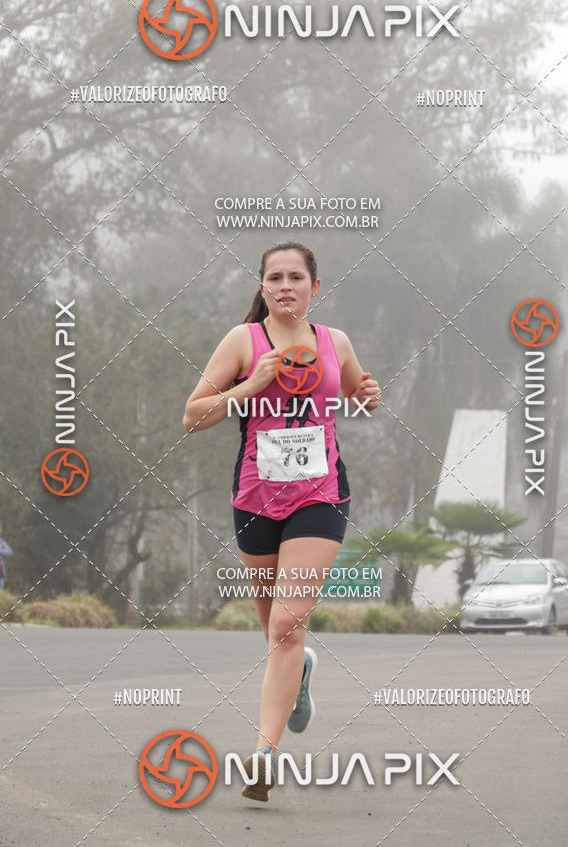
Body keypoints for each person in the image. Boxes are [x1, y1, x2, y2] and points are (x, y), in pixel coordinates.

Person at [183, 242, 380, 802]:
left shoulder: (333, 342)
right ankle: (299, 681)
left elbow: (360, 397)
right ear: (263, 286)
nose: (286, 285)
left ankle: (264, 755)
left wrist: (367, 393)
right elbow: (192, 416)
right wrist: (250, 385)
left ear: (315, 287)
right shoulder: (243, 342)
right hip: (255, 501)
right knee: (276, 633)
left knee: (288, 625)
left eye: (297, 277)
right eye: (276, 277)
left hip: (320, 497)